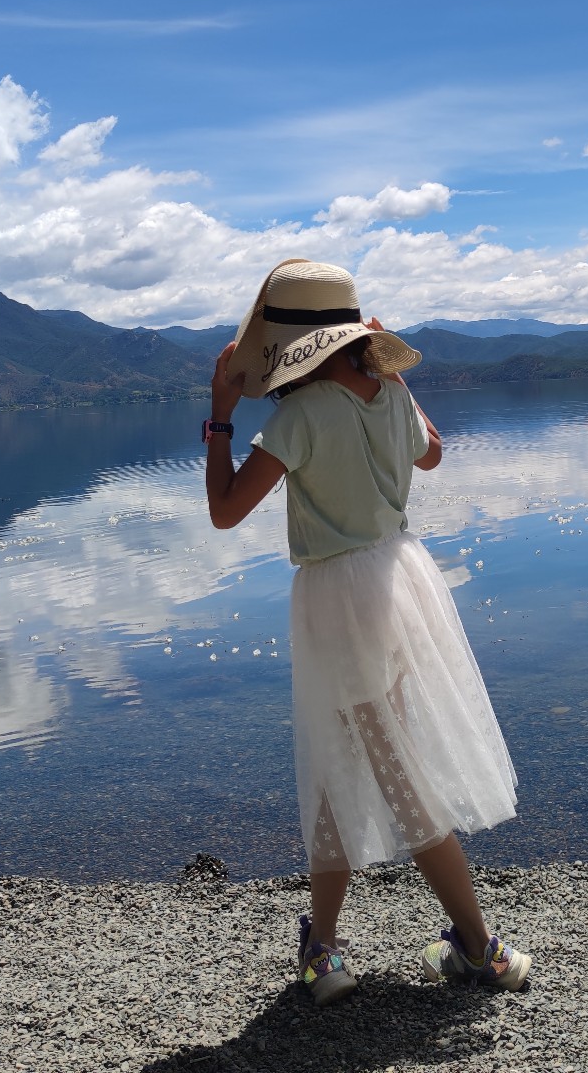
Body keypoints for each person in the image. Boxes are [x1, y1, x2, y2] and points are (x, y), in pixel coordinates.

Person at [202, 258, 528, 1004]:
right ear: (352, 331)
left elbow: (224, 509)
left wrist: (221, 414)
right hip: (401, 582)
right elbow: (434, 452)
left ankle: (480, 947)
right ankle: (323, 944)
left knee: (392, 771)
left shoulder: (299, 417)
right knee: (342, 766)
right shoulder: (388, 397)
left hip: (339, 599)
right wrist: (394, 374)